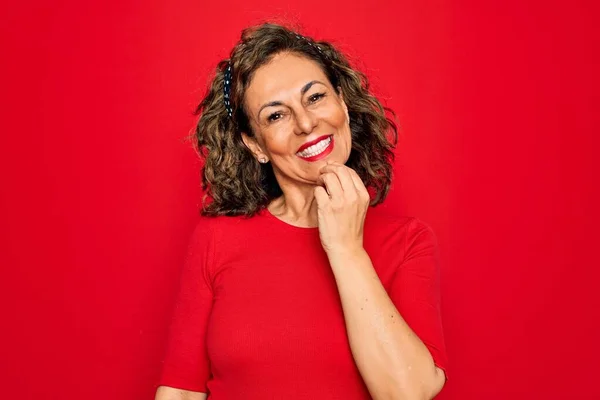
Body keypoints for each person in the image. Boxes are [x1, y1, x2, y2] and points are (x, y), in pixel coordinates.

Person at [155, 22, 448, 400]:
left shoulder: (409, 242)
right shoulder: (217, 239)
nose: (307, 123)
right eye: (276, 115)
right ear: (256, 145)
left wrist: (346, 249)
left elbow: (408, 393)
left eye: (315, 97)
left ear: (342, 102)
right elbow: (180, 392)